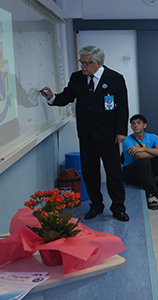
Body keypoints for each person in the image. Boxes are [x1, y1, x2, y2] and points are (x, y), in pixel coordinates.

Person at [41, 45, 130, 222]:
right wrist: (52, 97)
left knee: (113, 173)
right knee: (90, 173)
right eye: (80, 62)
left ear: (98, 63)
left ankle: (118, 207)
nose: (82, 66)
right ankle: (96, 205)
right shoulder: (77, 78)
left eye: (86, 63)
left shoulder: (115, 79)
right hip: (87, 135)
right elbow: (66, 96)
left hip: (108, 135)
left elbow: (122, 107)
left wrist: (121, 132)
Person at [122, 114, 158, 210]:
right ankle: (151, 196)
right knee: (144, 161)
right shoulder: (127, 140)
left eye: (138, 123)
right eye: (133, 124)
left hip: (145, 171)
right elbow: (139, 156)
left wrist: (144, 149)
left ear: (144, 125)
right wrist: (155, 152)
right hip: (130, 174)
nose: (135, 125)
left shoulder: (152, 137)